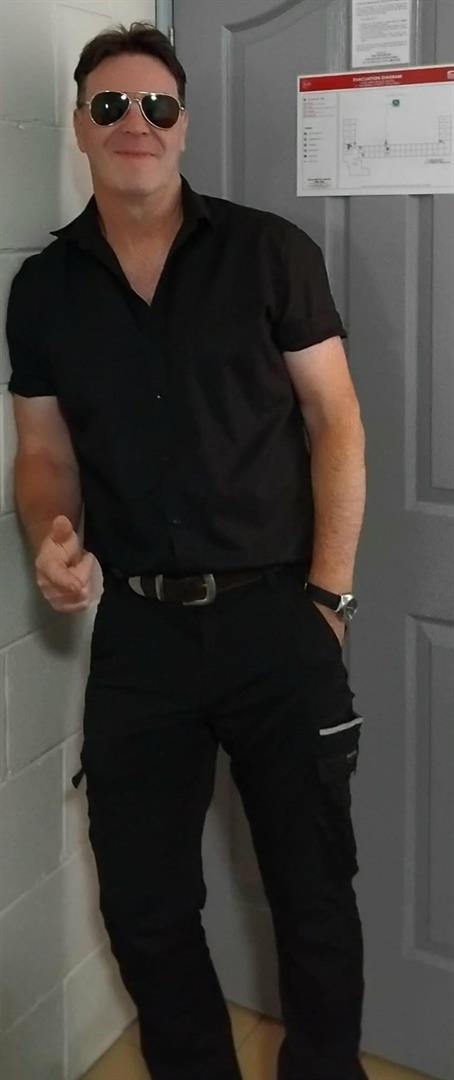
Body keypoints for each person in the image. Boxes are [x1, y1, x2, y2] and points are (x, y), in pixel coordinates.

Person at [6, 21, 367, 1080]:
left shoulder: (269, 254)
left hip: (278, 619)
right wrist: (50, 534)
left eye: (157, 105)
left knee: (313, 895)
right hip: (141, 637)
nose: (138, 123)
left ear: (184, 124)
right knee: (145, 904)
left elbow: (336, 421)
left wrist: (330, 596)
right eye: (112, 105)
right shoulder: (43, 289)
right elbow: (42, 453)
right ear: (80, 125)